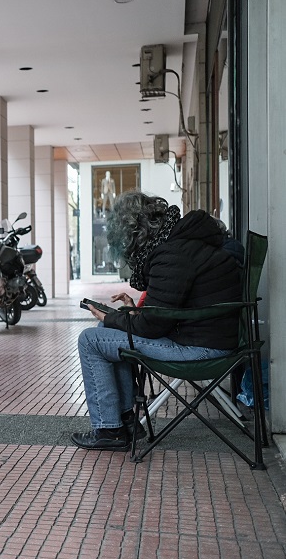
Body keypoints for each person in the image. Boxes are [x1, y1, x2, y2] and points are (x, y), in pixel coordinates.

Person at [72, 191, 242, 451]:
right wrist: (128, 314)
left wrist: (117, 316)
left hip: (202, 349)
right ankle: (125, 422)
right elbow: (169, 310)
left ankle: (110, 429)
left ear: (135, 235)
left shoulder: (172, 252)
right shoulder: (182, 240)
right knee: (106, 329)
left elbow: (153, 326)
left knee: (90, 340)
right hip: (207, 336)